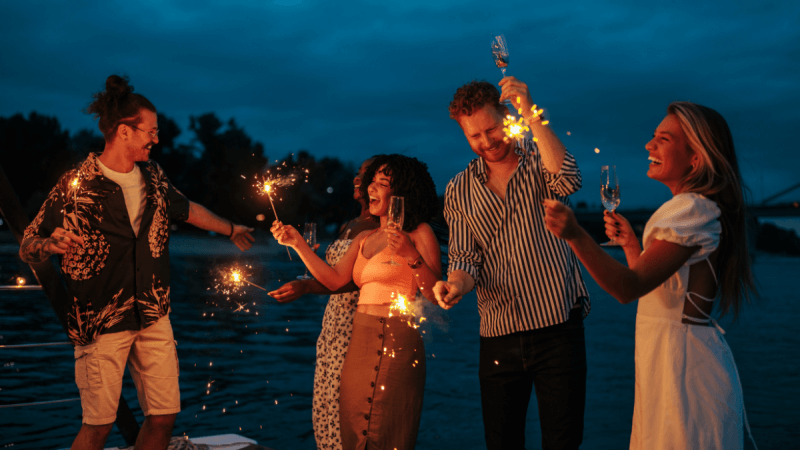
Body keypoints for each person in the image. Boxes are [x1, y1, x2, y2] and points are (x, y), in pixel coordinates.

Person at [19, 75, 255, 450]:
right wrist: (49, 243)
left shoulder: (156, 178)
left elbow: (188, 209)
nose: (156, 139)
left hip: (153, 312)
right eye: (151, 131)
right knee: (98, 426)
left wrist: (230, 229)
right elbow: (28, 243)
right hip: (99, 320)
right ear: (124, 131)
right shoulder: (75, 184)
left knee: (163, 417)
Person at [543, 101, 758, 449]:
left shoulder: (692, 209)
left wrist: (575, 234)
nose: (649, 145)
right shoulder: (692, 209)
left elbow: (628, 288)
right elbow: (658, 291)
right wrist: (631, 247)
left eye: (664, 138)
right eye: (653, 136)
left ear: (695, 158)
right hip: (669, 364)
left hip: (683, 373)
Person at [433, 78, 590, 450]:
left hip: (558, 329)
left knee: (563, 444)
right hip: (498, 336)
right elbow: (464, 259)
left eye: (491, 129)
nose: (486, 142)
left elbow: (569, 179)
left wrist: (530, 112)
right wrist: (455, 285)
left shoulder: (540, 158)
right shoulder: (458, 189)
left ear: (507, 117)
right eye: (474, 136)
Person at [271, 154, 441, 450]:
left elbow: (434, 295)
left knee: (384, 434)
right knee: (351, 429)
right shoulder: (366, 237)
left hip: (396, 342)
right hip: (358, 342)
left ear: (402, 192)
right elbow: (335, 280)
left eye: (382, 183)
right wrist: (296, 243)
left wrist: (411, 254)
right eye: (372, 181)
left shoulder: (419, 232)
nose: (371, 188)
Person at [267, 156, 380, 450]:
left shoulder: (379, 231)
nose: (357, 179)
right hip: (333, 327)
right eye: (357, 173)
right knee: (326, 412)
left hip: (356, 330)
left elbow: (343, 282)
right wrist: (304, 285)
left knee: (348, 418)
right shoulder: (351, 224)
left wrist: (300, 247)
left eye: (366, 175)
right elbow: (335, 281)